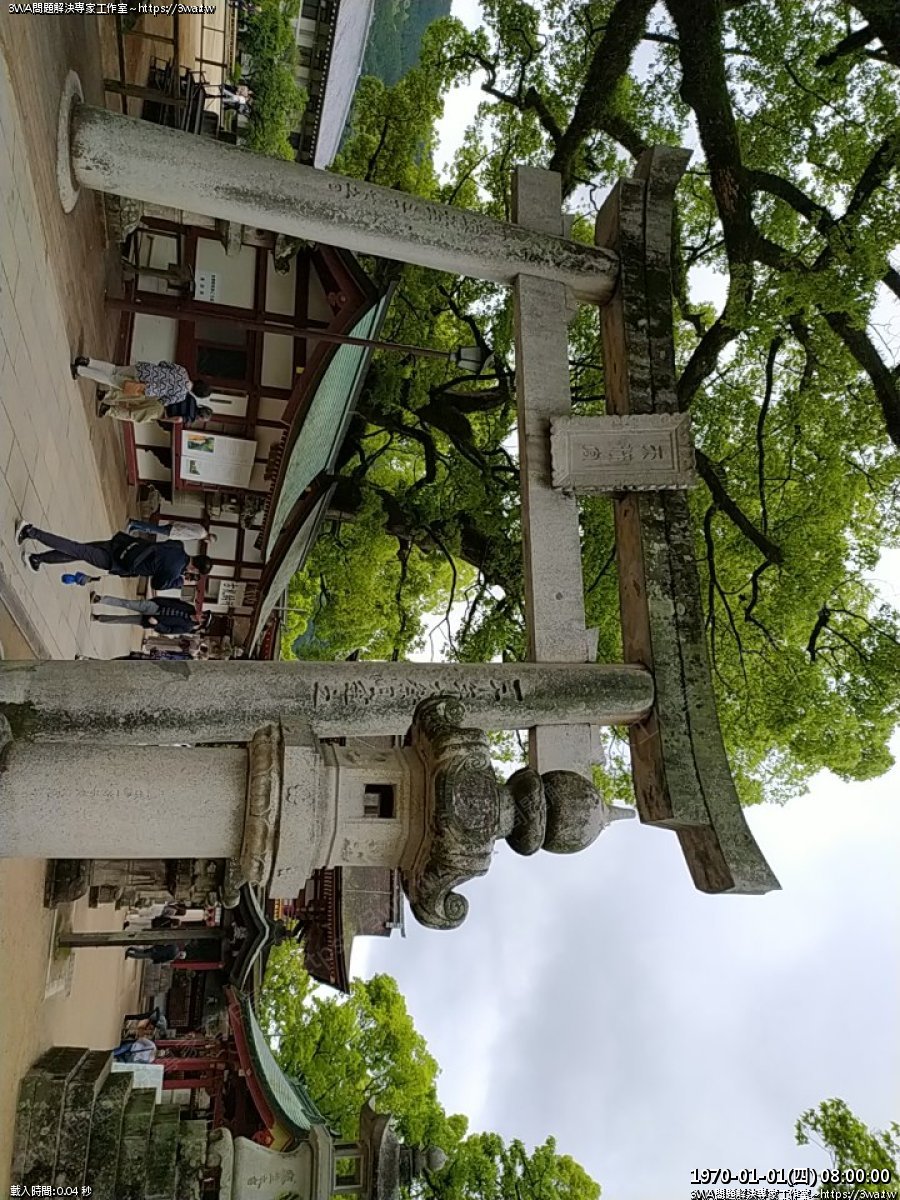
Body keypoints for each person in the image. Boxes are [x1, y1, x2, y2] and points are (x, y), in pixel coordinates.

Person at [15, 519, 213, 588]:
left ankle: (38, 559)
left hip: (124, 545)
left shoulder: (178, 546)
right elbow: (157, 584)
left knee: (78, 552)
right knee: (77, 549)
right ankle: (31, 531)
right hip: (118, 562)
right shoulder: (174, 572)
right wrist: (178, 582)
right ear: (195, 569)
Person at [71, 356, 210, 410]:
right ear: (196, 393)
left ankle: (89, 362)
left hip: (145, 369)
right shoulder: (181, 395)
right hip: (143, 386)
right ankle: (80, 370)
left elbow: (163, 363)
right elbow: (163, 401)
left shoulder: (183, 371)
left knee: (114, 369)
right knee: (110, 380)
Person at [90, 594, 208, 636]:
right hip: (155, 607)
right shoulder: (190, 608)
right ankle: (100, 599)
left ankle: (98, 618)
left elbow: (169, 631)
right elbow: (174, 601)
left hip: (152, 620)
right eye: (203, 613)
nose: (201, 614)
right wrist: (156, 600)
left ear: (200, 622)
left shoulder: (187, 627)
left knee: (123, 619)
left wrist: (156, 624)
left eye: (203, 617)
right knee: (127, 603)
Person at [126, 519, 217, 544]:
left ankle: (135, 527)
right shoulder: (199, 534)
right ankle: (134, 523)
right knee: (153, 529)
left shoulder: (201, 529)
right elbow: (186, 531)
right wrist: (176, 527)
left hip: (175, 528)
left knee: (153, 530)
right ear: (208, 539)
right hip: (174, 531)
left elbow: (187, 525)